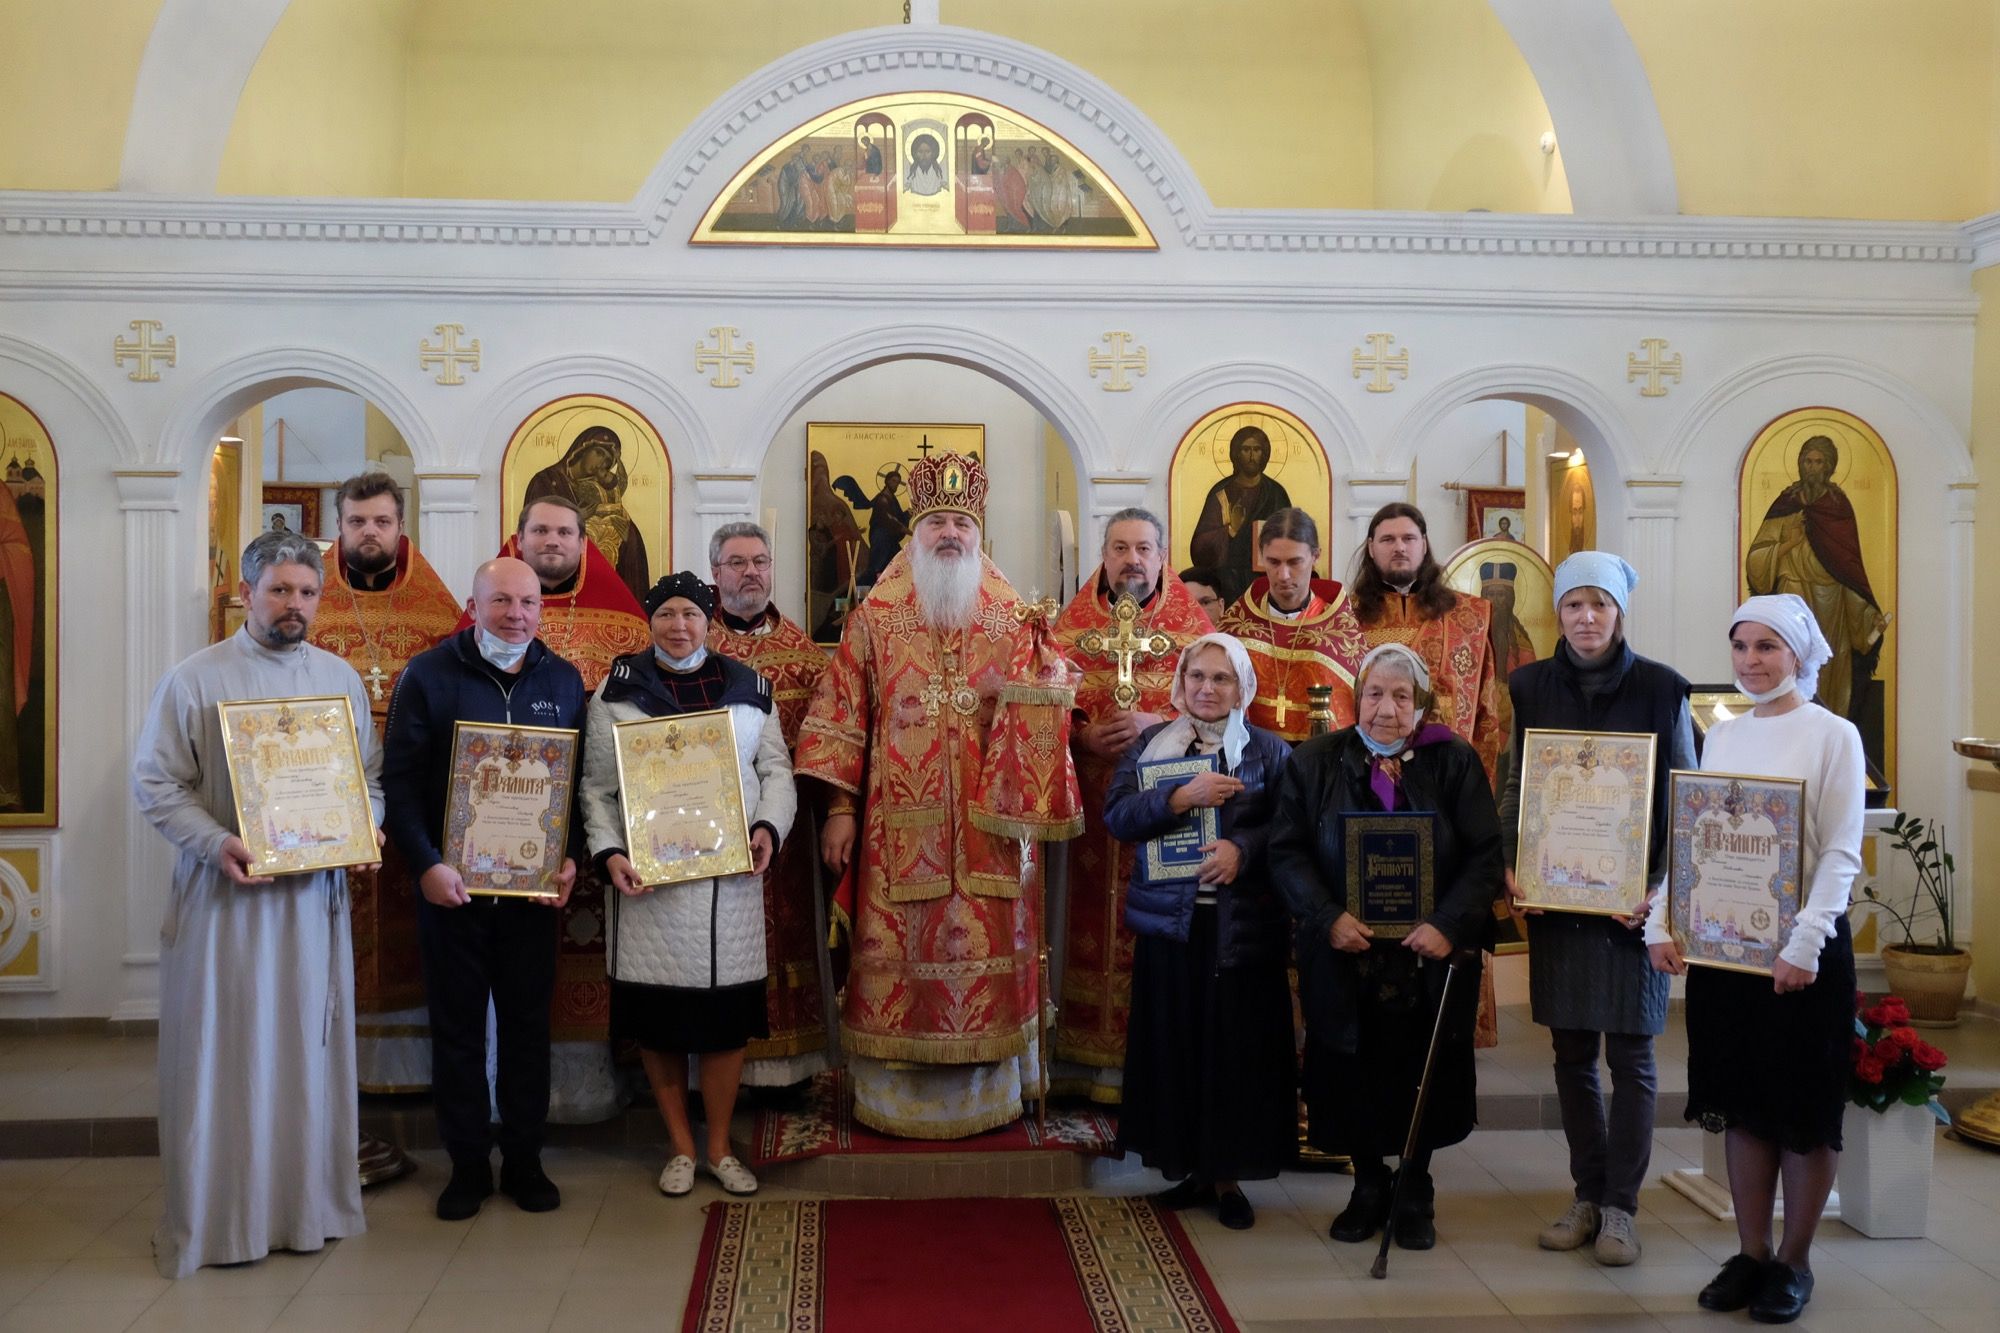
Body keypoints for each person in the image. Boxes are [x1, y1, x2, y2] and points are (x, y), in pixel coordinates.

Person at [133, 530, 383, 1277]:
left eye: (306, 591)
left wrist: (365, 827)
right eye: (278, 590)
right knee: (227, 1056)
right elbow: (156, 783)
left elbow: (367, 778)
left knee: (305, 1053)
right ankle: (222, 1223)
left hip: (311, 907)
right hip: (227, 904)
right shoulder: (194, 679)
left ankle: (306, 1212)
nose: (293, 604)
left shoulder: (339, 678)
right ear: (246, 594)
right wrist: (217, 843)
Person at [796, 448, 1067, 1137]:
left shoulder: (1015, 619)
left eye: (961, 522)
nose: (949, 533)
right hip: (895, 830)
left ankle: (991, 1092)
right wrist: (839, 810)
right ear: (914, 535)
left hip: (994, 829)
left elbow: (1049, 718)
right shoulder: (875, 618)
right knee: (899, 953)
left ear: (979, 535)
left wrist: (1047, 681)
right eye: (937, 522)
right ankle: (893, 1097)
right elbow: (841, 715)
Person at [1645, 594, 1864, 1325]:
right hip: (1728, 957)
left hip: (1802, 957)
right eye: (1741, 646)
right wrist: (1662, 921)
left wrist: (1805, 944)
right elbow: (1696, 839)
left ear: (1799, 653)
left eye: (1767, 646)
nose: (1751, 660)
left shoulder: (1834, 735)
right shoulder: (1724, 736)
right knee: (1741, 1106)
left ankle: (1794, 1262)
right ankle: (1751, 1252)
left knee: (1803, 1110)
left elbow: (1840, 853)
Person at [1269, 644, 1502, 1252]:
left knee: (1423, 1070)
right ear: (1357, 698)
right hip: (1346, 955)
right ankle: (1368, 1183)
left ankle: (1416, 1187)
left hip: (1430, 958)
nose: (1387, 709)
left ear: (1421, 704)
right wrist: (1326, 918)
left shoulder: (1453, 760)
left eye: (1402, 696)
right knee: (1353, 1072)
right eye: (1375, 694)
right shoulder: (1315, 762)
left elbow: (1484, 854)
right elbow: (1286, 852)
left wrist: (1448, 923)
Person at [1496, 553, 1694, 1266]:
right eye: (1574, 604)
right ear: (1558, 611)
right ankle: (1586, 1194)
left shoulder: (1663, 688)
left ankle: (1621, 1208)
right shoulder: (1528, 686)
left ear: (1619, 612)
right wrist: (1513, 862)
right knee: (1572, 1054)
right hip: (1560, 901)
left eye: (1599, 604)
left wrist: (1660, 893)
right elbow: (1513, 784)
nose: (1586, 618)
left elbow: (1686, 799)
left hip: (1631, 908)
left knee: (1633, 1058)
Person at [383, 557, 585, 1221]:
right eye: (501, 601)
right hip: (453, 893)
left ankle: (525, 1160)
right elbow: (400, 784)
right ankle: (468, 1165)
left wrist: (570, 858)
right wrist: (425, 864)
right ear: (474, 605)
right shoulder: (428, 674)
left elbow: (577, 785)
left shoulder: (562, 679)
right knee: (458, 1031)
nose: (516, 615)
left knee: (528, 1030)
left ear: (541, 609)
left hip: (531, 898)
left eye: (528, 602)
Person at [582, 572, 796, 1196]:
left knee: (726, 1023)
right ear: (650, 620)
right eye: (667, 614)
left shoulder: (749, 688)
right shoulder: (618, 690)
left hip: (729, 884)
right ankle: (680, 1146)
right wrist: (609, 853)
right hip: (651, 888)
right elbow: (597, 788)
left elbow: (775, 770)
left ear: (710, 621)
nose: (679, 626)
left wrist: (767, 827)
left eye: (692, 615)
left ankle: (720, 1147)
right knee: (660, 1022)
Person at [468, 496, 649, 1120]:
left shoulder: (627, 624)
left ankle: (593, 1084)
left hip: (591, 834)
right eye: (540, 529)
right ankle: (504, 1100)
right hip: (500, 837)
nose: (552, 540)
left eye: (564, 531)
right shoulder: (480, 619)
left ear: (583, 540)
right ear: (518, 539)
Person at [1105, 634, 1294, 1230]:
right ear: (1180, 683)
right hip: (1172, 927)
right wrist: (1179, 797)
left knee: (1233, 1054)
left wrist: (1243, 850)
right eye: (1197, 677)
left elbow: (1291, 832)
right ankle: (1192, 1167)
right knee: (1179, 1048)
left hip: (1240, 930)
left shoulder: (1269, 751)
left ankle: (1229, 1177)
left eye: (1221, 678)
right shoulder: (1150, 746)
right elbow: (1117, 816)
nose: (1207, 689)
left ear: (1242, 688)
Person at [307, 473, 462, 1167]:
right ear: (339, 526)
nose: (369, 532)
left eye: (382, 521)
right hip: (322, 808)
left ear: (401, 528)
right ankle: (327, 1075)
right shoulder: (308, 604)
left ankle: (409, 1072)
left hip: (411, 811)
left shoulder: (438, 613)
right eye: (357, 520)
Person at [1330, 502, 1506, 1048]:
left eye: (1409, 537)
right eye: (1387, 539)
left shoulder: (1470, 617)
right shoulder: (1344, 618)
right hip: (1361, 799)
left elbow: (1488, 718)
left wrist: (1476, 797)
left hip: (1445, 799)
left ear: (1425, 544)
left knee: (1440, 926)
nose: (1399, 547)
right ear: (1371, 548)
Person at [1052, 509, 1214, 1102]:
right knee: (1081, 925)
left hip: (1164, 814)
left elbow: (1221, 705)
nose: (1132, 560)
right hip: (1089, 815)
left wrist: (1160, 722)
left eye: (1144, 548)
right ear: (1104, 555)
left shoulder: (1192, 630)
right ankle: (1074, 1062)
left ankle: (1150, 1062)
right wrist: (1082, 735)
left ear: (1162, 556)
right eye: (1120, 548)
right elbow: (1045, 700)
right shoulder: (1070, 630)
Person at [705, 522, 834, 1089]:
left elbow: (825, 743)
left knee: (791, 935)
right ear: (715, 573)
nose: (750, 572)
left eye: (760, 561)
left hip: (789, 833)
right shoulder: (695, 646)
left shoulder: (805, 654)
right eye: (737, 563)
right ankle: (716, 1068)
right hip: (712, 829)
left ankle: (789, 1068)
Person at [1744, 434, 1889, 762]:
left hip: (1832, 600)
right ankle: (1787, 736)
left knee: (1831, 667)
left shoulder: (1838, 507)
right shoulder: (1786, 503)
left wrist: (1868, 617)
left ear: (1830, 467)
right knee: (1789, 663)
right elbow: (1756, 560)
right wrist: (1788, 545)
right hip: (1791, 595)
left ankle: (1828, 743)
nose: (1812, 468)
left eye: (1819, 462)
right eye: (1808, 461)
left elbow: (1848, 567)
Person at [1215, 507, 1358, 741]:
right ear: (1261, 555)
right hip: (1250, 755)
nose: (1283, 575)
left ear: (1316, 556)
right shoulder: (1237, 625)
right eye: (1273, 562)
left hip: (1318, 755)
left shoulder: (1338, 630)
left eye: (1294, 562)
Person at [525, 425, 650, 605]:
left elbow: (621, 523)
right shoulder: (546, 481)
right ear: (582, 448)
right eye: (599, 453)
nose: (602, 463)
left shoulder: (599, 490)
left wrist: (627, 535)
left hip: (599, 591)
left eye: (608, 461)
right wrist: (577, 519)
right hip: (552, 594)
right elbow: (534, 531)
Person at [1189, 426, 1294, 596]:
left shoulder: (1276, 493)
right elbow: (1199, 549)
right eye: (1246, 449)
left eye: (1257, 450)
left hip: (1267, 579)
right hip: (1227, 581)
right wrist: (1230, 530)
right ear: (1236, 453)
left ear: (1265, 454)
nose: (1252, 456)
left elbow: (1292, 537)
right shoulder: (1221, 493)